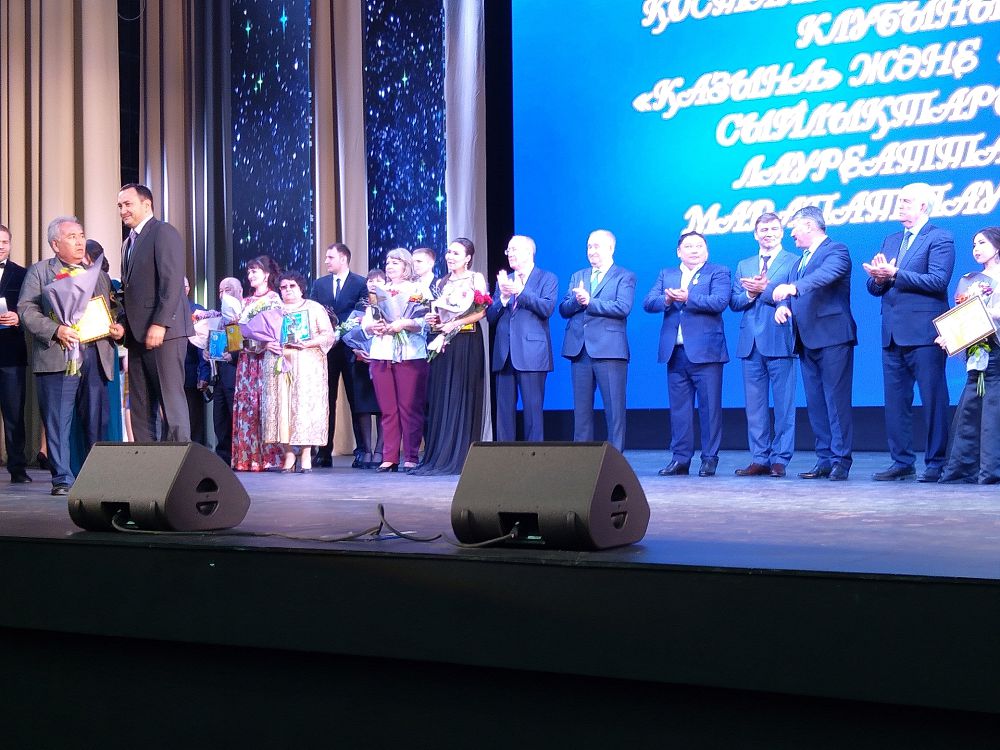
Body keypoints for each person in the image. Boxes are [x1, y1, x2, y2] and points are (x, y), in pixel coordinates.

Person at [17, 216, 124, 495]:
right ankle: (62, 479)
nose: (79, 242)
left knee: (96, 421)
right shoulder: (40, 272)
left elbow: (113, 310)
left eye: (81, 236)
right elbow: (26, 310)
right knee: (57, 421)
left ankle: (94, 476)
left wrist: (117, 328)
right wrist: (56, 330)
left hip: (95, 355)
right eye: (72, 237)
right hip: (57, 355)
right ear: (55, 244)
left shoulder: (98, 275)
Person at [864, 183, 954, 482]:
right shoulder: (891, 240)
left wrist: (896, 274)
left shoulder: (939, 237)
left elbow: (938, 281)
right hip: (891, 332)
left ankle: (936, 463)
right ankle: (901, 461)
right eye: (899, 201)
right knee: (895, 402)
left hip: (924, 333)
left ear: (923, 206)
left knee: (933, 399)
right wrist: (878, 279)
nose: (900, 206)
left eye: (906, 201)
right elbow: (876, 286)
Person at [772, 206, 856, 481]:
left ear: (809, 226)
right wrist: (782, 306)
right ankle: (824, 459)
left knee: (835, 401)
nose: (791, 234)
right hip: (806, 339)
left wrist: (793, 288)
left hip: (833, 337)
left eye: (794, 227)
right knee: (816, 402)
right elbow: (788, 293)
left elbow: (825, 276)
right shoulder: (799, 262)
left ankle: (841, 460)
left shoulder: (836, 250)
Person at [644, 231, 730, 477]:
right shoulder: (667, 274)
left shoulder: (718, 272)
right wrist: (667, 300)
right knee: (679, 410)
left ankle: (709, 458)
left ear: (707, 251)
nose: (694, 250)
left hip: (707, 352)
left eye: (699, 246)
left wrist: (688, 297)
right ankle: (680, 459)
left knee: (709, 409)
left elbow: (720, 302)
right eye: (689, 246)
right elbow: (648, 302)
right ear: (678, 252)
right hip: (675, 352)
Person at [117, 183, 193, 441]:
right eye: (120, 206)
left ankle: (179, 460)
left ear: (146, 204)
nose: (123, 210)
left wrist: (160, 323)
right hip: (137, 336)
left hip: (165, 334)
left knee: (170, 402)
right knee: (140, 405)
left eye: (128, 204)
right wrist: (122, 325)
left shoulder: (163, 232)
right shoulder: (128, 243)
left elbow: (172, 282)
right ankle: (146, 460)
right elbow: (130, 291)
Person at [729, 213, 799, 478]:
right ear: (755, 234)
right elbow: (735, 302)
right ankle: (760, 458)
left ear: (781, 232)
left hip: (780, 337)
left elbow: (796, 296)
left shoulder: (794, 261)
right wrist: (750, 293)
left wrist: (772, 296)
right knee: (755, 407)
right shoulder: (744, 264)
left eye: (773, 229)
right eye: (763, 229)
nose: (768, 233)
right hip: (750, 342)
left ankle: (780, 459)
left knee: (784, 405)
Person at [413, 238, 488, 475]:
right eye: (449, 252)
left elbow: (481, 312)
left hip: (467, 341)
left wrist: (455, 323)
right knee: (442, 395)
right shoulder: (441, 282)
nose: (450, 257)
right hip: (443, 343)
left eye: (456, 253)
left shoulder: (475, 278)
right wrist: (433, 320)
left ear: (468, 258)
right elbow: (439, 314)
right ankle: (440, 453)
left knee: (462, 394)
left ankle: (461, 455)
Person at [559, 229, 635, 453]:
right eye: (589, 246)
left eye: (597, 246)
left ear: (611, 248)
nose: (592, 251)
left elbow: (622, 307)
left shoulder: (624, 276)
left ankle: (615, 458)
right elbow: (564, 308)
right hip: (579, 350)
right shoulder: (578, 276)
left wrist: (589, 302)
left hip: (609, 350)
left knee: (614, 410)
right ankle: (582, 459)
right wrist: (577, 301)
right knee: (581, 411)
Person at [937, 227, 1000, 484]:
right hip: (977, 352)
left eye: (982, 243)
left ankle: (991, 469)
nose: (976, 248)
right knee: (970, 410)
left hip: (997, 348)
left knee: (993, 410)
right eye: (974, 244)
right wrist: (950, 336)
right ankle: (965, 468)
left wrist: (988, 312)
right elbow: (962, 318)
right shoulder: (969, 280)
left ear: (997, 246)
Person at [487, 234, 558, 442]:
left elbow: (546, 308)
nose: (510, 254)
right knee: (504, 412)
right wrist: (503, 298)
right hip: (504, 353)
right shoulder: (505, 281)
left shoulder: (547, 278)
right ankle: (505, 454)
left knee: (533, 412)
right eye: (508, 250)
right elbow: (491, 316)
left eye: (514, 249)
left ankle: (534, 455)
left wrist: (521, 291)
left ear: (529, 252)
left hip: (532, 353)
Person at [363, 248, 428, 472]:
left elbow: (424, 322)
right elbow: (367, 322)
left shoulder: (418, 289)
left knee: (409, 408)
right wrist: (373, 327)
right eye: (388, 262)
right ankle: (389, 456)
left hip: (410, 354)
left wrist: (404, 324)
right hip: (382, 353)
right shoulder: (378, 291)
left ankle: (411, 455)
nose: (390, 266)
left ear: (406, 266)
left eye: (395, 263)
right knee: (388, 409)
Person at [264, 271, 335, 473]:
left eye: (292, 286)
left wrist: (308, 343)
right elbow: (259, 338)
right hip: (279, 362)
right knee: (281, 407)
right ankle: (288, 453)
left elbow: (328, 335)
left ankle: (305, 453)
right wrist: (267, 344)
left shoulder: (313, 307)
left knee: (304, 406)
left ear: (301, 288)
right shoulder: (273, 310)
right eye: (283, 287)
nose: (288, 290)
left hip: (307, 363)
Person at [310, 242, 367, 467]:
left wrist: (342, 332)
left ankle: (362, 450)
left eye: (330, 257)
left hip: (352, 349)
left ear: (343, 258)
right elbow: (313, 313)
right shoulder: (320, 284)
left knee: (356, 399)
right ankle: (324, 451)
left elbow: (363, 313)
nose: (326, 261)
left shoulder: (360, 283)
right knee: (327, 400)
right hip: (328, 350)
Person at [232, 256, 284, 471]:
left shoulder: (274, 300)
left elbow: (278, 332)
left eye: (255, 271)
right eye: (249, 271)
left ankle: (269, 458)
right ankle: (247, 458)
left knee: (263, 406)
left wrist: (265, 344)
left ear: (267, 275)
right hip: (246, 363)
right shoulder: (244, 303)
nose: (250, 275)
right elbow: (236, 338)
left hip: (264, 362)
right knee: (247, 407)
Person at [342, 269, 386, 469]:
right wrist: (357, 349)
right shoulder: (359, 307)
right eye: (370, 280)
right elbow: (348, 332)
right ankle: (366, 450)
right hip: (361, 361)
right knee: (363, 408)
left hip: (383, 360)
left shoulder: (389, 305)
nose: (373, 284)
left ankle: (380, 451)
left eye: (378, 280)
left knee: (383, 408)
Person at [0, 223, 31, 483]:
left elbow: (31, 307)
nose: (1, 247)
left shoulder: (22, 274)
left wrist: (18, 317)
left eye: (5, 242)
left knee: (13, 414)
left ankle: (17, 468)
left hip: (11, 353)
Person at [211, 277, 243, 465]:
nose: (223, 294)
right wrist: (208, 351)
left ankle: (238, 456)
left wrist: (235, 354)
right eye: (221, 291)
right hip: (219, 375)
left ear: (239, 291)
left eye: (228, 290)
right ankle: (223, 458)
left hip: (236, 373)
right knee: (219, 418)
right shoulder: (219, 318)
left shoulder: (243, 314)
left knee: (234, 416)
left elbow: (244, 343)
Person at [183, 277, 212, 445]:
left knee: (194, 420)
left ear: (188, 289)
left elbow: (203, 345)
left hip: (191, 374)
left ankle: (196, 454)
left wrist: (204, 375)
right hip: (170, 375)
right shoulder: (165, 311)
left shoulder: (197, 311)